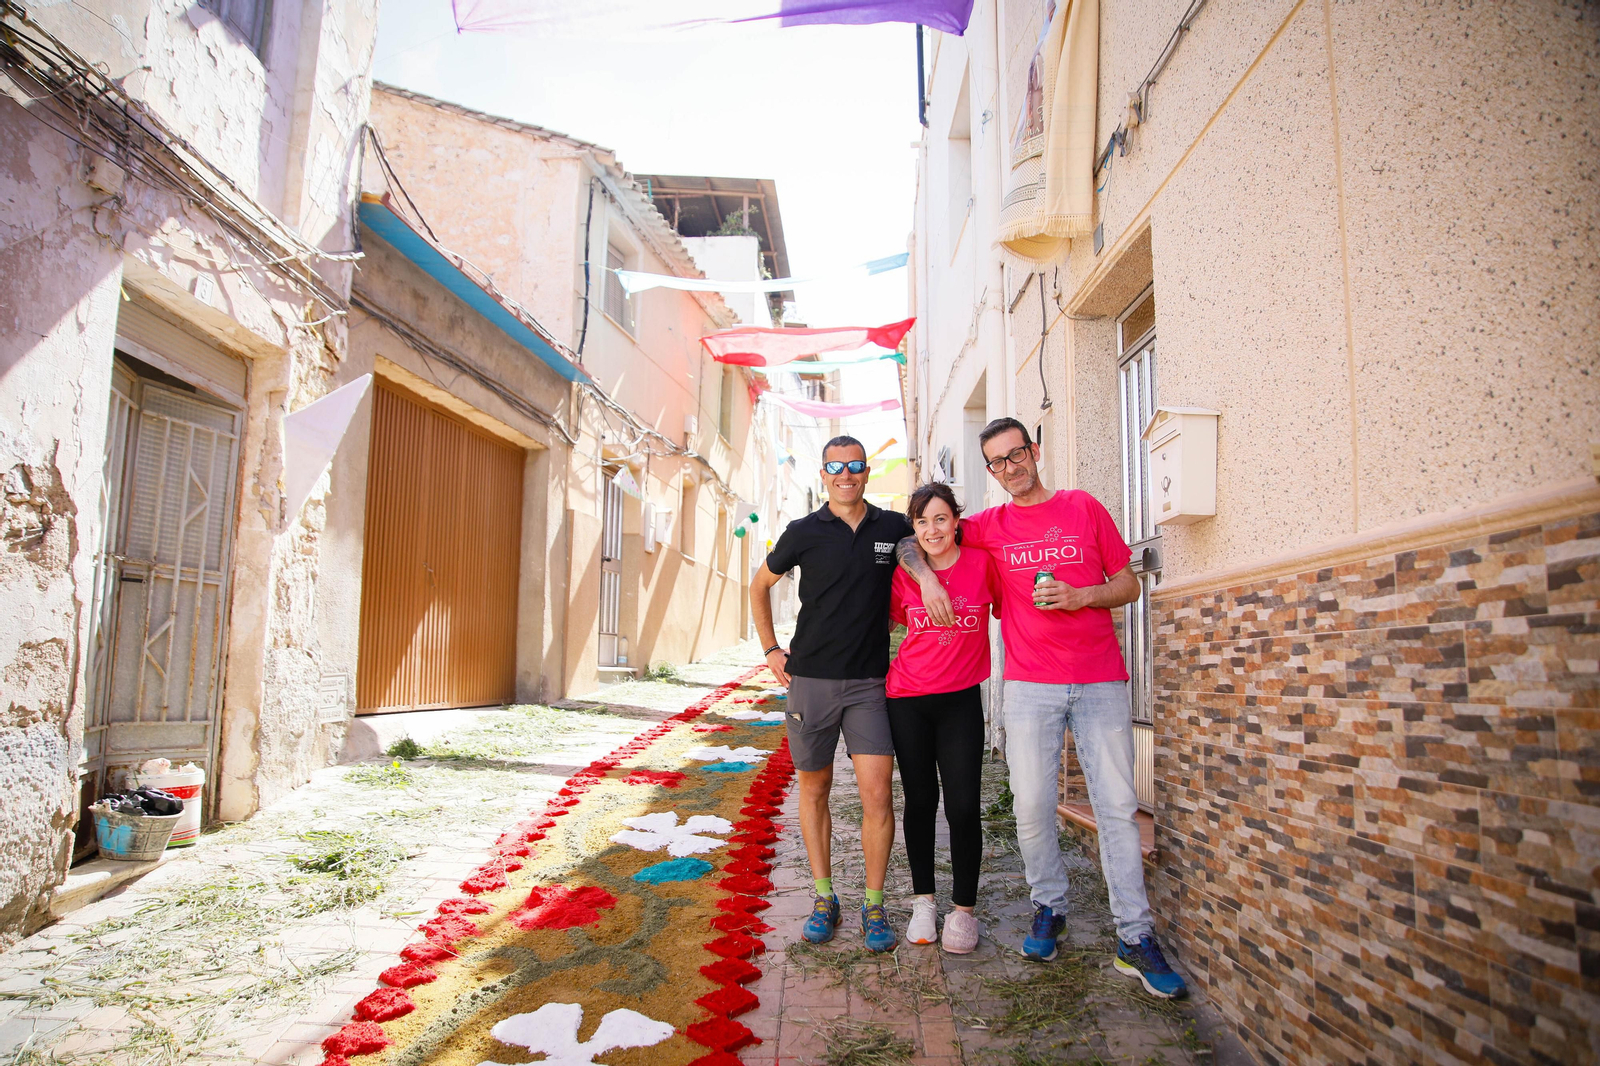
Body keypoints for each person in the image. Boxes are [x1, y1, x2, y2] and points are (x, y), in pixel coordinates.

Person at [896, 417, 1187, 999]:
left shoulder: (1084, 507)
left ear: (1034, 450)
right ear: (991, 470)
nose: (1010, 468)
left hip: (1100, 679)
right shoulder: (988, 525)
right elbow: (917, 536)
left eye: (1016, 454)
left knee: (1118, 808)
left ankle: (1134, 937)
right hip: (1029, 685)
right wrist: (925, 578)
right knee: (1030, 806)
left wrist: (1083, 595)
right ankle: (1048, 908)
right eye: (997, 462)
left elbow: (1128, 584)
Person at [750, 435, 913, 953]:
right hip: (811, 683)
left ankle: (873, 904)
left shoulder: (893, 527)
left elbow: (931, 553)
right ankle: (824, 898)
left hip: (870, 684)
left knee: (878, 795)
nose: (846, 474)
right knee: (814, 789)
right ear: (823, 474)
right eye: (836, 467)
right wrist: (771, 650)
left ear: (867, 471)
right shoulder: (802, 532)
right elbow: (758, 586)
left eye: (855, 465)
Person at [885, 482, 1000, 954]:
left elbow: (1012, 610)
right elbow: (883, 624)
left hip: (960, 702)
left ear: (956, 521)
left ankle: (964, 910)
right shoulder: (905, 575)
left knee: (963, 805)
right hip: (907, 699)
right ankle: (924, 901)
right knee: (919, 801)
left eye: (940, 518)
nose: (932, 529)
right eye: (922, 521)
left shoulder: (983, 565)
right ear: (914, 528)